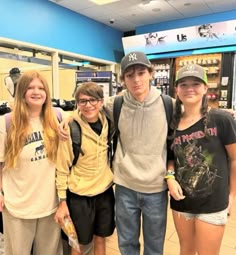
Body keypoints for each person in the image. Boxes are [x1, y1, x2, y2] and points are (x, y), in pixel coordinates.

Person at [102, 51, 171, 255]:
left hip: (157, 188)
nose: (136, 80)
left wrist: (222, 115)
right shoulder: (115, 104)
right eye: (130, 75)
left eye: (141, 73)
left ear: (151, 73)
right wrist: (67, 119)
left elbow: (194, 116)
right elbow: (86, 109)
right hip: (125, 187)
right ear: (122, 79)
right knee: (127, 244)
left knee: (154, 247)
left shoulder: (169, 105)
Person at [166, 64, 236, 255]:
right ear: (176, 90)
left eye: (196, 83)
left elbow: (234, 159)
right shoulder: (172, 124)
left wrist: (232, 196)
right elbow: (171, 159)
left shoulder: (221, 119)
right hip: (182, 202)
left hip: (213, 203)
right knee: (186, 250)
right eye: (184, 84)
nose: (190, 89)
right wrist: (170, 178)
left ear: (205, 88)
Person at [0, 70, 63, 255]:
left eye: (41, 87)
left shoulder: (57, 117)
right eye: (30, 87)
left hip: (50, 206)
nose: (37, 92)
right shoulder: (6, 122)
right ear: (21, 92)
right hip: (17, 206)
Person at [55, 82, 115, 255]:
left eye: (93, 100)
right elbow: (62, 167)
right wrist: (62, 201)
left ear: (101, 102)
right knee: (77, 243)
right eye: (82, 101)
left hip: (104, 191)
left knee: (101, 237)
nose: (88, 105)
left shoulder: (108, 121)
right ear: (77, 104)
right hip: (79, 196)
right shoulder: (70, 129)